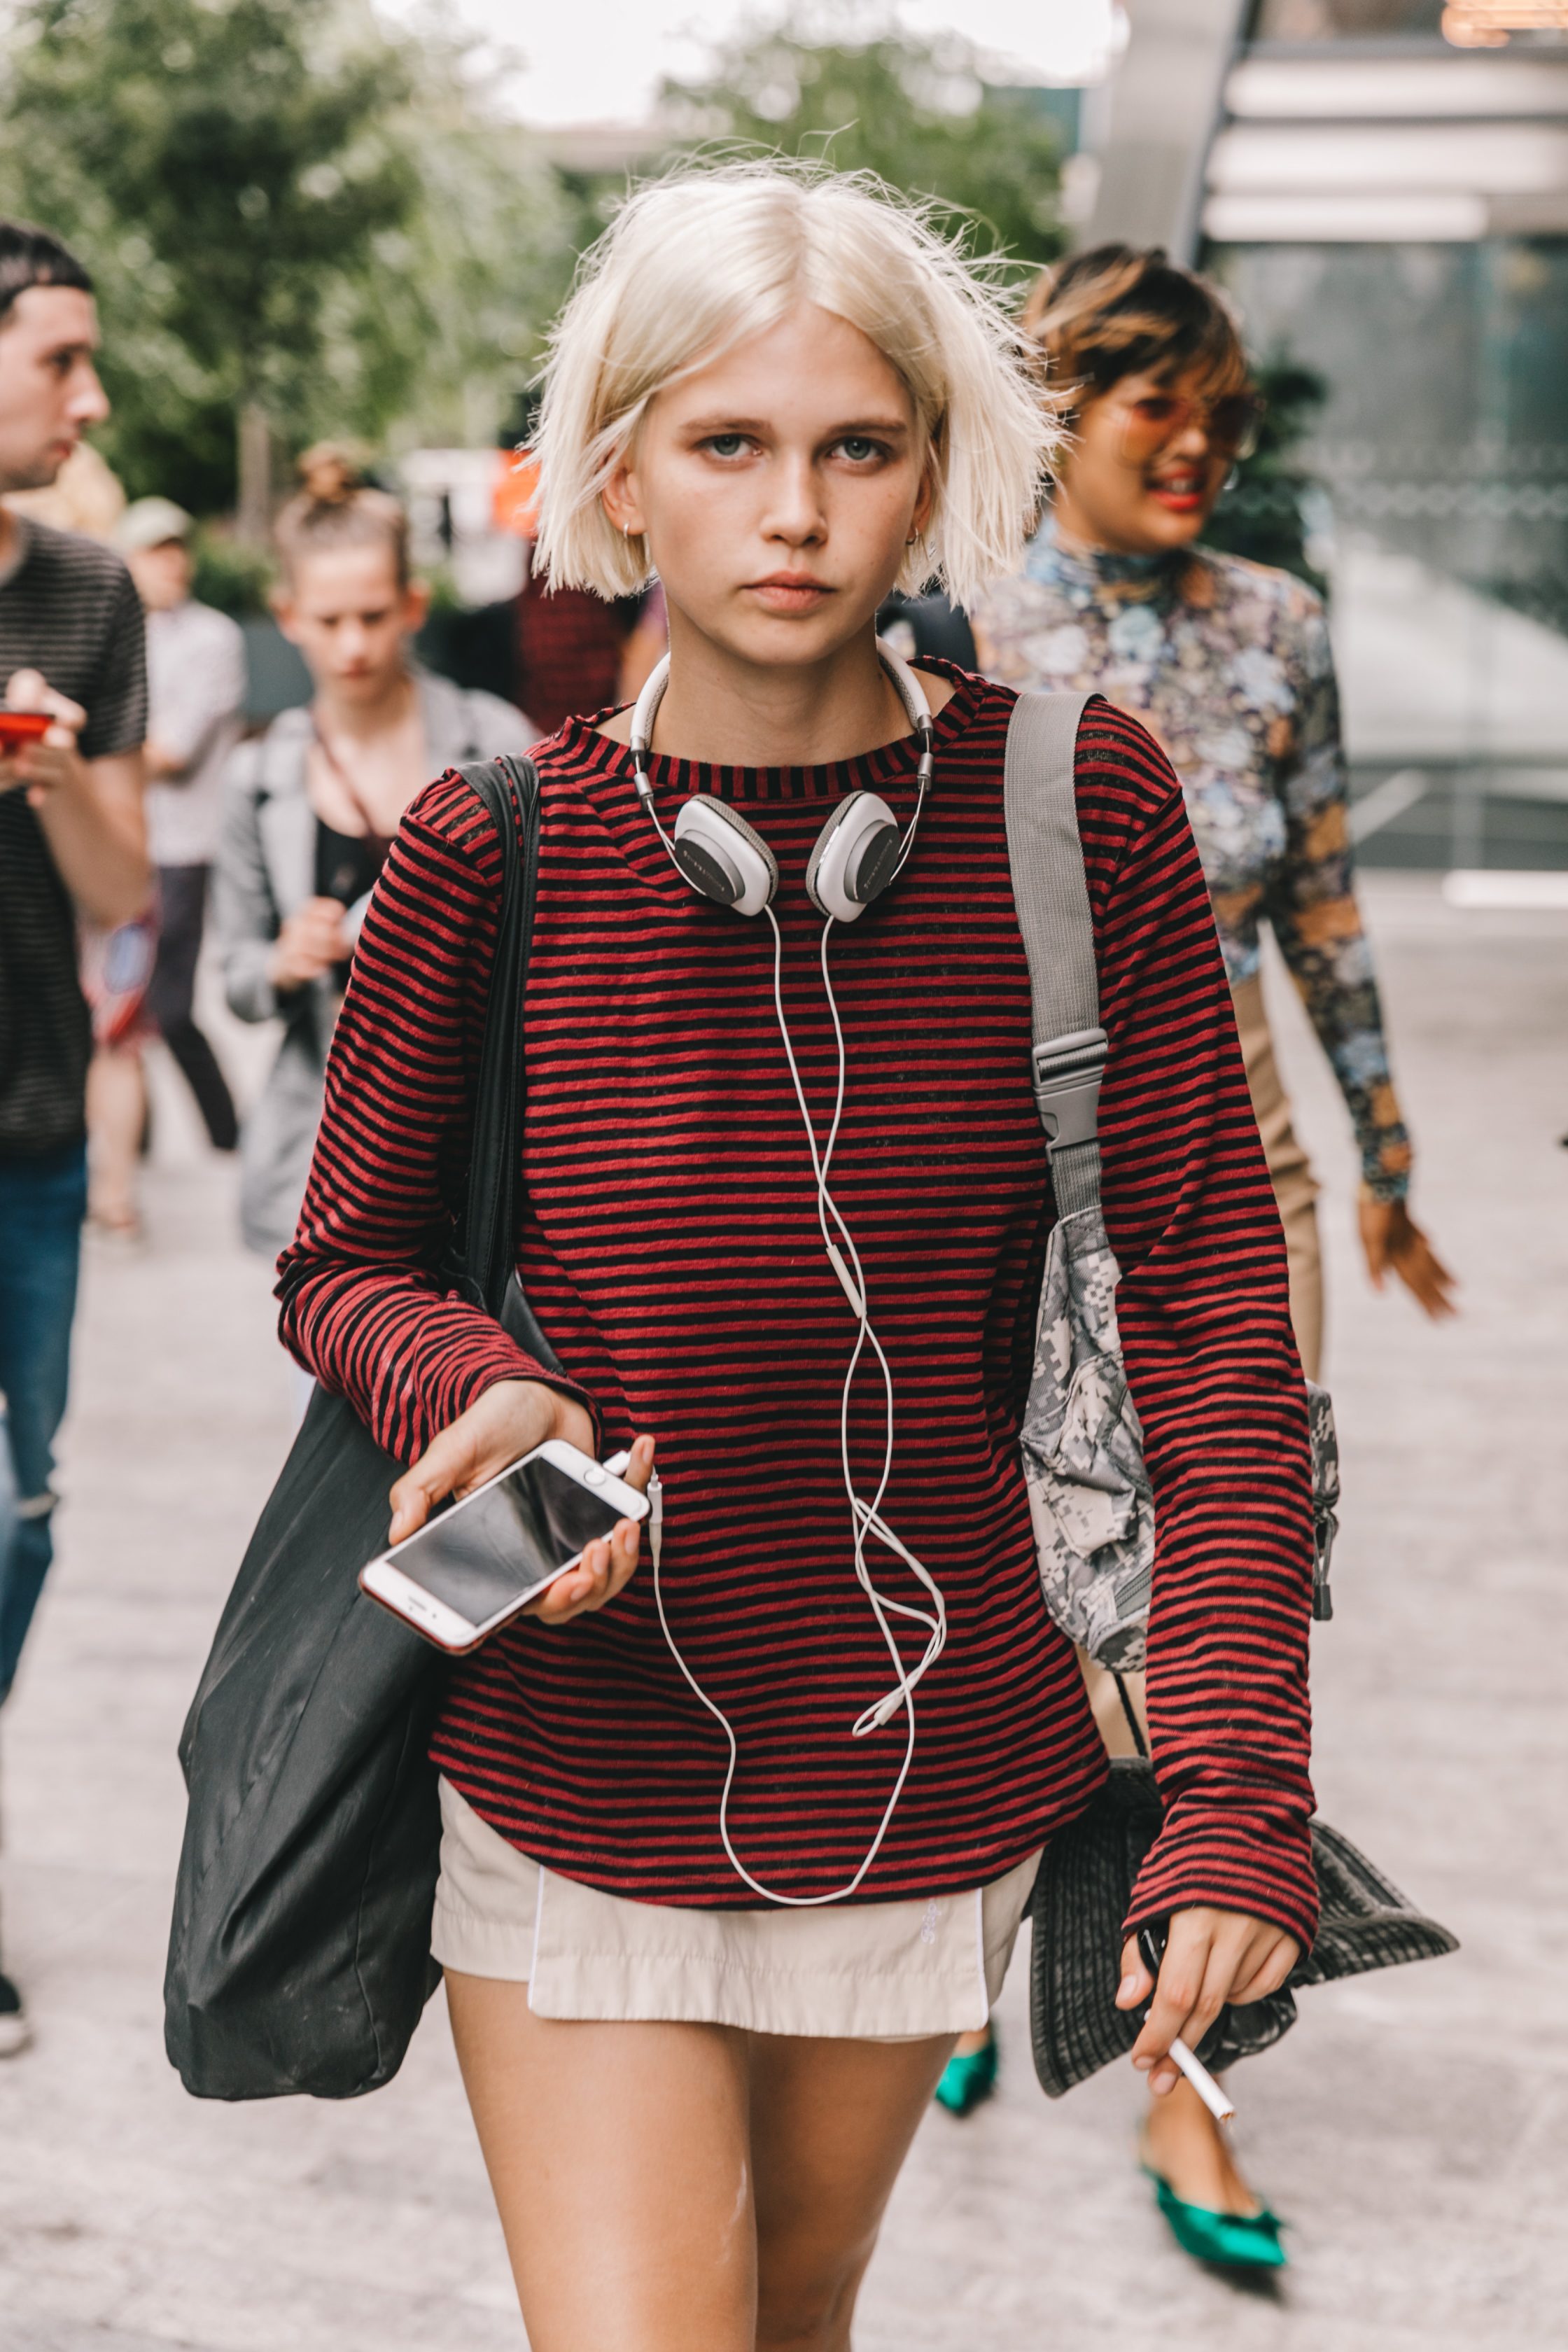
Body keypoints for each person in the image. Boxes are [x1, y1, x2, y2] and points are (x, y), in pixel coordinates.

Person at [276, 164, 1320, 2346]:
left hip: (936, 1774)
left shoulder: (1077, 805)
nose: (793, 513)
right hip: (570, 1774)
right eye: (725, 443)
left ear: (931, 473)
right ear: (616, 470)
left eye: (855, 447)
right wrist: (469, 1384)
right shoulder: (494, 847)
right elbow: (343, 1255)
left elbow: (1212, 1318)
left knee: (793, 2321)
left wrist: (1228, 1790)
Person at [968, 242, 1457, 2266]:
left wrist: (1387, 1157)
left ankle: (1184, 2084)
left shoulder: (1279, 623)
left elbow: (1324, 900)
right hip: (991, 1171)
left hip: (1220, 1158)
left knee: (1209, 1616)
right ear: (1060, 411)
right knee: (1032, 1623)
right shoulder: (959, 624)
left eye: (1225, 417)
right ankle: (1003, 1925)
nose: (1199, 447)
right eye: (1156, 404)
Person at [0, 218, 149, 2054]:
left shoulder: (88, 593)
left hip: (34, 1126)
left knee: (22, 1518)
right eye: (61, 360)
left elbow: (122, 894)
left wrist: (42, 775)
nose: (90, 395)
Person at [214, 447, 535, 1282]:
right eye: (328, 621)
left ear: (411, 606)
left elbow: (564, 940)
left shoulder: (495, 746)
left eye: (372, 614)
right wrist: (285, 961)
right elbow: (236, 980)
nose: (352, 644)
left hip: (487, 1149)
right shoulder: (259, 777)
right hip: (332, 1156)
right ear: (287, 614)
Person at [121, 497, 244, 1154]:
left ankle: (229, 1132)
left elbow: (170, 754)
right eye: (152, 550)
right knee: (117, 1008)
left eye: (176, 548)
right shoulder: (123, 634)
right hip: (124, 843)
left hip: (185, 848)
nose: (168, 563)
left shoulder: (213, 637)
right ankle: (130, 1144)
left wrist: (94, 751)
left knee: (168, 1006)